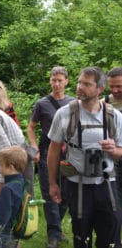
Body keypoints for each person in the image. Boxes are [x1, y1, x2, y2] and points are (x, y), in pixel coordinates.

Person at [47, 66, 122, 248]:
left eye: (87, 84)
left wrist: (113, 150)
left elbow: (120, 153)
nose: (80, 87)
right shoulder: (65, 114)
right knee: (81, 236)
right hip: (77, 185)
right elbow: (54, 150)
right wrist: (53, 183)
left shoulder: (114, 116)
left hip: (106, 184)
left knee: (110, 236)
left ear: (99, 89)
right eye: (80, 82)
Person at [26, 66, 74, 248]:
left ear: (66, 81)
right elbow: (31, 127)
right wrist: (34, 148)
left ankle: (57, 228)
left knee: (67, 193)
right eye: (54, 80)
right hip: (48, 153)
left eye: (60, 80)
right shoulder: (42, 103)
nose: (56, 83)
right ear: (50, 81)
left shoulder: (73, 103)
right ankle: (53, 235)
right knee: (49, 192)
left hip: (69, 153)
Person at [0, 146, 28, 248]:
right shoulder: (21, 181)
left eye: (1, 164)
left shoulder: (7, 189)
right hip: (14, 230)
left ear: (11, 167)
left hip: (4, 234)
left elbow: (2, 216)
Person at [105, 67, 122, 248]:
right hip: (114, 160)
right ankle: (115, 242)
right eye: (112, 86)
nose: (115, 90)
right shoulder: (107, 102)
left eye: (119, 86)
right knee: (115, 204)